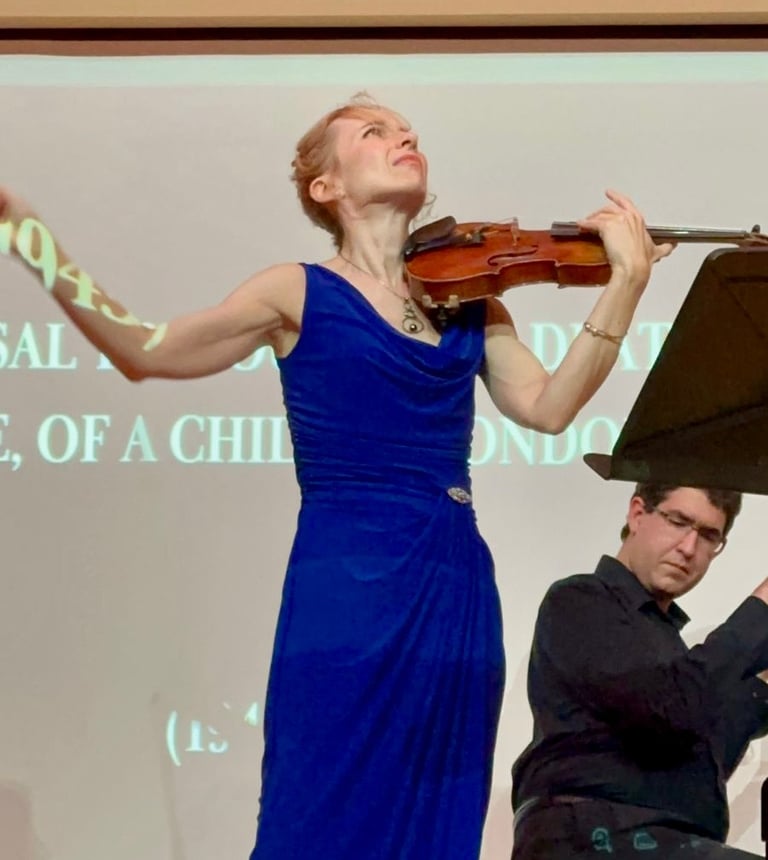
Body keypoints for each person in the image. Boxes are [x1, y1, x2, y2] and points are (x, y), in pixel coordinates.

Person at [0, 95, 672, 860]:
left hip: (452, 586)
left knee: (437, 824)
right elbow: (142, 350)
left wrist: (625, 283)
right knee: (318, 812)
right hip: (348, 584)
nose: (404, 136)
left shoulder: (471, 302)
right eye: (375, 132)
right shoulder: (294, 291)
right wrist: (32, 240)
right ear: (327, 187)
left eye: (408, 130)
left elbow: (548, 409)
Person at [512, 481, 768, 860]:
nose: (689, 548)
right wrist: (762, 608)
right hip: (591, 836)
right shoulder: (579, 600)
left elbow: (700, 754)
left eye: (708, 536)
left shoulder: (672, 652)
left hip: (670, 838)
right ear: (637, 513)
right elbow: (663, 709)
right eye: (678, 521)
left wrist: (761, 686)